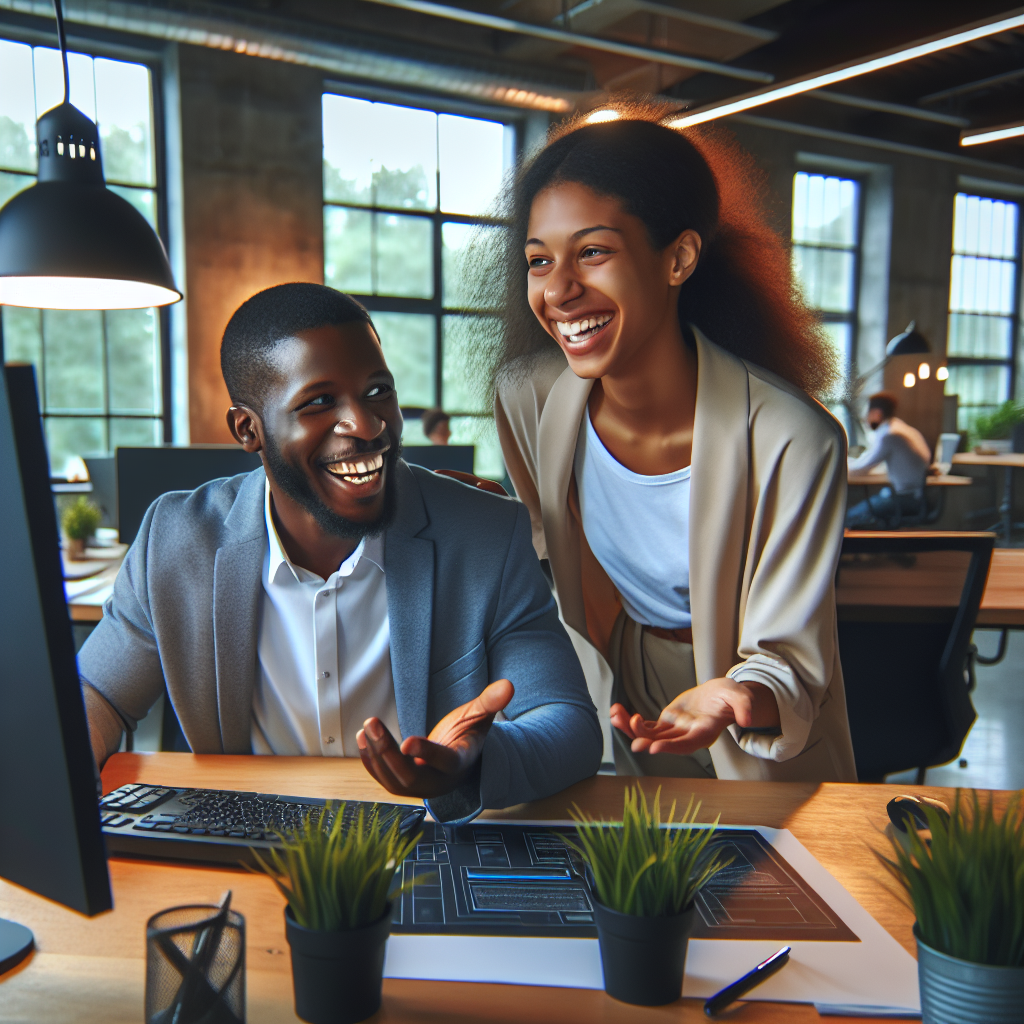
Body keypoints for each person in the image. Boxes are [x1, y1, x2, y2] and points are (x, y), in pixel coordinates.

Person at [79, 283, 602, 825]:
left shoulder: (486, 534)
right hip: (245, 845)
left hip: (421, 842)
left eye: (377, 392)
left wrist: (470, 764)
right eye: (320, 402)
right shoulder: (176, 540)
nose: (367, 425)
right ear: (248, 429)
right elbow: (97, 692)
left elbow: (566, 723)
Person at [490, 106, 857, 783]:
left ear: (679, 257)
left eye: (593, 251)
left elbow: (791, 655)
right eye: (540, 260)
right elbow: (551, 542)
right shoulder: (528, 396)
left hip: (747, 706)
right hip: (615, 682)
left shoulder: (792, 439)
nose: (560, 289)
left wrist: (737, 695)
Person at [846, 392, 932, 529]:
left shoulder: (889, 435)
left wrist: (839, 465)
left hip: (905, 499)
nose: (864, 420)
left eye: (866, 415)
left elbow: (862, 468)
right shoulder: (903, 429)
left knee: (847, 517)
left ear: (876, 414)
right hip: (917, 497)